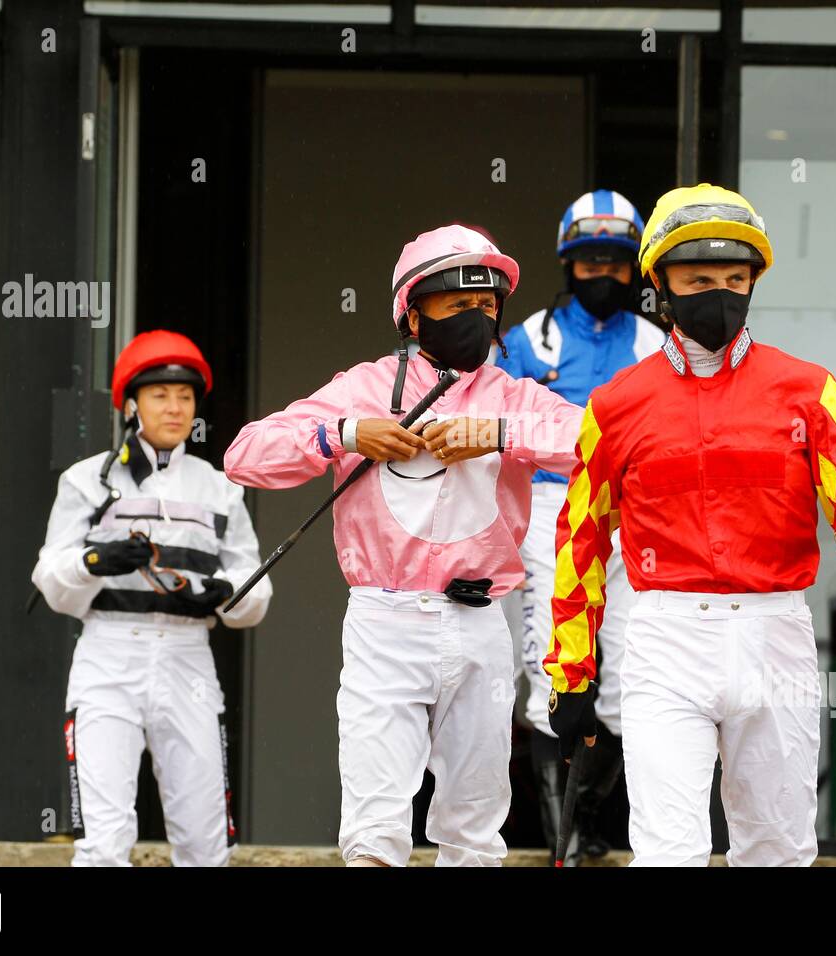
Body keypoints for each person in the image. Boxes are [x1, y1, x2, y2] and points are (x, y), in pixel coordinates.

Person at [543, 185, 836, 866]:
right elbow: (580, 538)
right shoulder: (616, 403)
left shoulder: (808, 387)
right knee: (669, 851)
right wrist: (572, 670)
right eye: (699, 279)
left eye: (735, 279)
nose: (720, 292)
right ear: (660, 284)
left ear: (754, 281)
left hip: (776, 633)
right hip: (664, 635)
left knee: (778, 847)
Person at [223, 225, 583, 866]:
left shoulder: (515, 396)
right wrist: (345, 434)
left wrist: (498, 434)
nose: (478, 318)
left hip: (482, 623)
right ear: (414, 314)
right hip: (384, 621)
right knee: (374, 828)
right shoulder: (361, 387)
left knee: (474, 830)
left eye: (487, 306)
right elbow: (244, 456)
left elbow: (599, 444)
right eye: (458, 305)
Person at [32, 329, 272, 866]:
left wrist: (221, 594)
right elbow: (49, 576)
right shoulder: (85, 481)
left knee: (206, 842)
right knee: (103, 839)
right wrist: (94, 562)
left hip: (188, 657)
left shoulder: (220, 486)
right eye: (160, 395)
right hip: (107, 656)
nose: (174, 407)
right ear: (132, 403)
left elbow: (254, 584)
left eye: (185, 397)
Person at [497, 189, 664, 864]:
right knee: (549, 668)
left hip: (631, 517)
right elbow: (498, 437)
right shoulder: (526, 339)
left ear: (635, 269)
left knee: (627, 677)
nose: (604, 274)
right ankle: (557, 838)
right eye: (590, 261)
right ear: (568, 264)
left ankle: (591, 827)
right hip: (547, 512)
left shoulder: (658, 343)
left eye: (618, 263)